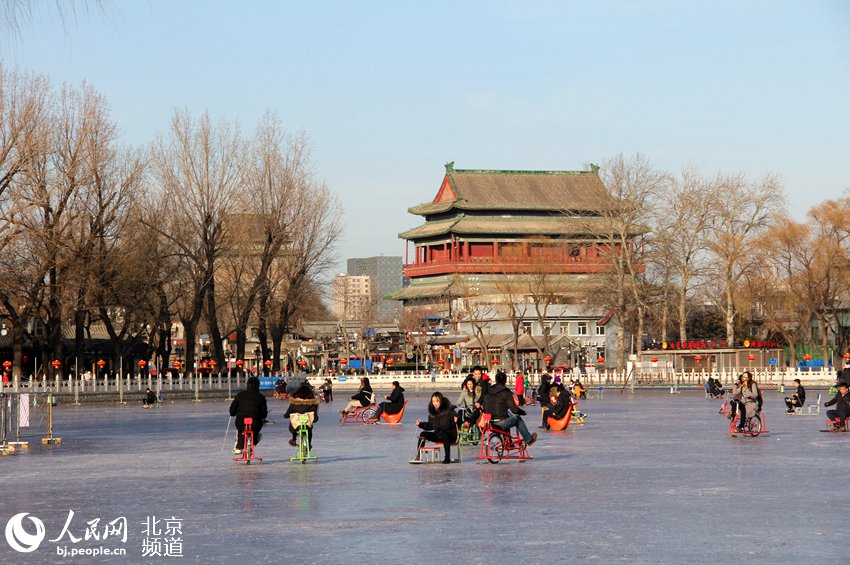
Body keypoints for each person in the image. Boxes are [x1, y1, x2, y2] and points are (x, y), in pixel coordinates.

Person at [477, 371, 537, 446]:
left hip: (490, 422)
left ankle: (508, 442)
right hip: (500, 422)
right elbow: (514, 410)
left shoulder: (488, 391)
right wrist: (523, 412)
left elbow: (484, 405)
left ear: (495, 380)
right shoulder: (506, 392)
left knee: (507, 417)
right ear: (505, 381)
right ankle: (528, 439)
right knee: (517, 419)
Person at [414, 392, 458, 464]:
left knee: (444, 433)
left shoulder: (449, 411)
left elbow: (458, 420)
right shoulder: (432, 414)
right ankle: (419, 456)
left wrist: (457, 420)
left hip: (450, 435)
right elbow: (430, 426)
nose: (435, 403)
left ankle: (447, 458)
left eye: (437, 401)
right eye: (433, 401)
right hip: (438, 435)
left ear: (441, 401)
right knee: (423, 434)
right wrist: (421, 424)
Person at [229, 376, 268, 455]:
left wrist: (233, 413)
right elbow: (264, 413)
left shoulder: (240, 395)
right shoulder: (261, 397)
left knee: (240, 431)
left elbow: (232, 410)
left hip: (241, 422)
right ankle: (253, 442)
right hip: (256, 423)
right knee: (256, 433)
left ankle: (239, 447)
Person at [283, 381, 320, 447]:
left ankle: (294, 439)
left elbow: (287, 414)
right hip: (307, 425)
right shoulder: (312, 404)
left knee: (293, 427)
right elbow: (315, 417)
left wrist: (286, 416)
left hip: (296, 426)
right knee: (309, 431)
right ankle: (308, 444)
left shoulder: (294, 403)